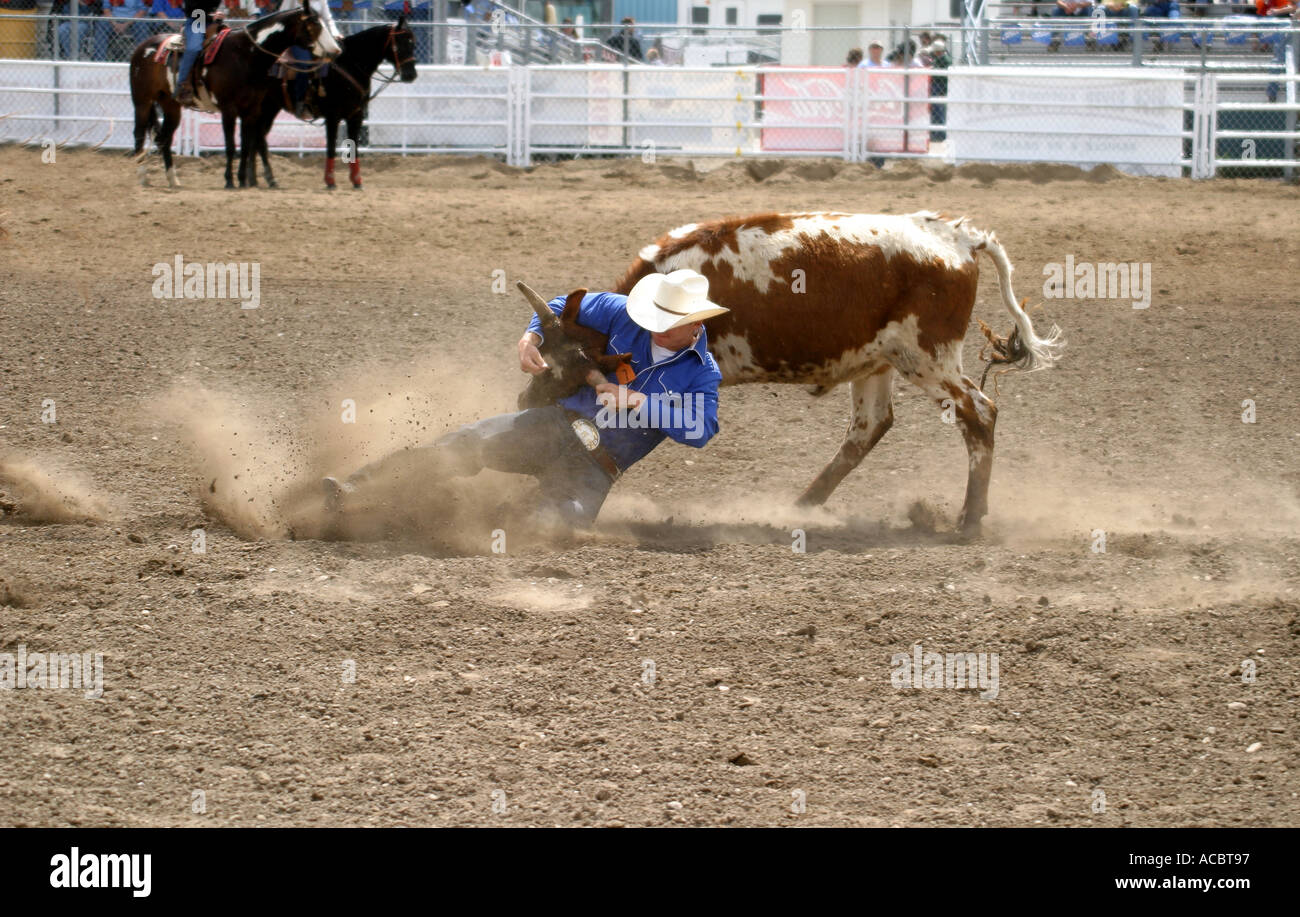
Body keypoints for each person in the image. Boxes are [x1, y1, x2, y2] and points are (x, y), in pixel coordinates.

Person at [324, 270, 728, 530]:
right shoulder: (624, 312)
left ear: (696, 323)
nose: (653, 327)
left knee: (552, 526)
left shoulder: (703, 373)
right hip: (553, 426)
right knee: (465, 446)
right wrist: (529, 339)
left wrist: (639, 402)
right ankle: (355, 491)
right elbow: (555, 309)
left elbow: (700, 430)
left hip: (595, 468)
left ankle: (432, 526)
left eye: (667, 324)